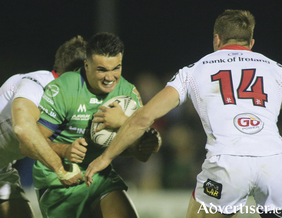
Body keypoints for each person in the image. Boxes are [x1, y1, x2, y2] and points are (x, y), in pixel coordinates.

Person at [85, 10, 282, 218]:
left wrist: (105, 158)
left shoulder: (194, 70)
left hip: (228, 165)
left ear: (217, 40)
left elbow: (144, 118)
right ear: (251, 43)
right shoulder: (276, 69)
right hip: (275, 163)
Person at [33, 32, 161, 218]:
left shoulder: (127, 92)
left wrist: (125, 123)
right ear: (86, 65)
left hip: (99, 174)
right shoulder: (64, 88)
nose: (110, 77)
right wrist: (65, 150)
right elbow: (35, 140)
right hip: (59, 178)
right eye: (102, 70)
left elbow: (141, 154)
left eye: (116, 68)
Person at [0, 35, 86, 218]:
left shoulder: (68, 103)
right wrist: (60, 170)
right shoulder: (36, 83)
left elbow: (36, 142)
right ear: (78, 72)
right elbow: (23, 130)